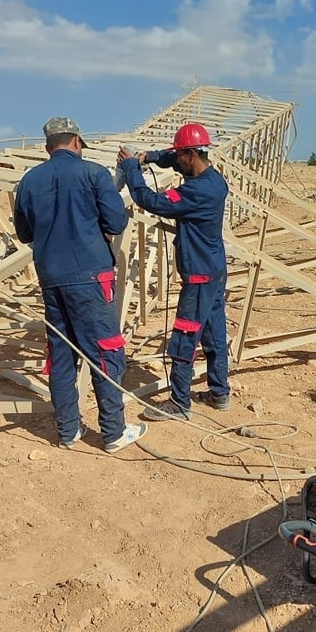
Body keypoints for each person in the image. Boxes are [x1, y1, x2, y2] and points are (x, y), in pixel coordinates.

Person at [13, 117, 148, 453]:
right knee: (105, 352)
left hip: (52, 280)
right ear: (76, 142)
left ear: (48, 146)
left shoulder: (29, 181)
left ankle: (67, 431)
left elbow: (25, 234)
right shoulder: (93, 173)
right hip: (90, 277)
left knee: (61, 354)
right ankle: (114, 432)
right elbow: (116, 221)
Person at [116, 122, 230, 421]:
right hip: (214, 269)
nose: (176, 159)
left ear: (191, 154)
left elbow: (149, 201)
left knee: (184, 337)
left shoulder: (196, 192)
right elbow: (172, 160)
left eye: (180, 155)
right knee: (214, 334)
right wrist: (150, 156)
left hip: (198, 274)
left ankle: (179, 403)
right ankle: (219, 392)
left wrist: (131, 169)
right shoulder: (214, 179)